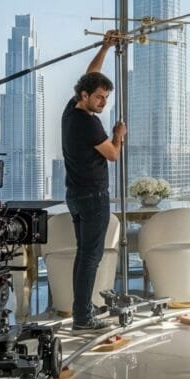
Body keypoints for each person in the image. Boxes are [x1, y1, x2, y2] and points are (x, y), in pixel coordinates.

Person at [62, 31, 126, 331]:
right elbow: (112, 155)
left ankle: (82, 310)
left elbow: (91, 75)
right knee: (91, 258)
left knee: (84, 256)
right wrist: (118, 136)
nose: (103, 102)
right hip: (93, 197)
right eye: (99, 97)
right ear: (84, 96)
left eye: (105, 97)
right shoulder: (88, 123)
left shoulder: (70, 111)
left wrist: (105, 47)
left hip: (75, 196)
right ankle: (83, 318)